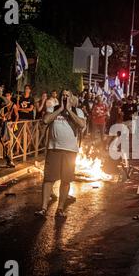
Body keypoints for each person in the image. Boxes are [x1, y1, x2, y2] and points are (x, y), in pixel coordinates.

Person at [36, 89, 86, 217]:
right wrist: (60, 109)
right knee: (48, 179)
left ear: (71, 98)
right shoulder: (53, 108)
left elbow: (81, 124)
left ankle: (60, 208)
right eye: (63, 95)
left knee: (66, 180)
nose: (65, 97)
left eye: (67, 96)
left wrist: (69, 110)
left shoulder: (77, 111)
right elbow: (46, 120)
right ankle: (43, 208)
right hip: (54, 148)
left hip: (70, 151)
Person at [0, 89, 19, 168]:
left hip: (9, 124)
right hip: (1, 124)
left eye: (8, 95)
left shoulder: (13, 105)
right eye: (5, 95)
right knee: (0, 143)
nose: (7, 97)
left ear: (10, 96)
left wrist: (15, 123)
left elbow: (17, 115)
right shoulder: (1, 104)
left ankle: (9, 160)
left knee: (8, 143)